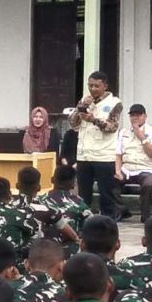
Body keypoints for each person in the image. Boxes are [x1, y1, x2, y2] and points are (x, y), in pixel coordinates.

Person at [65, 73, 123, 217]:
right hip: (84, 155)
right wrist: (81, 107)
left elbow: (112, 127)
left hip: (104, 156)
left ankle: (108, 224)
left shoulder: (114, 103)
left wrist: (94, 119)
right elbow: (73, 123)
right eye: (90, 85)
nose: (93, 89)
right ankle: (83, 224)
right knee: (84, 195)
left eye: (97, 86)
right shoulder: (85, 100)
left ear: (105, 86)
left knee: (106, 195)